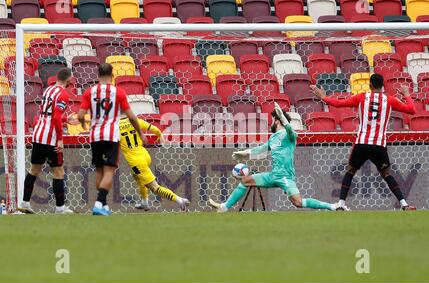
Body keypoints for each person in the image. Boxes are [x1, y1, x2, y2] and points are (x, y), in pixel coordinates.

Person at [312, 73, 417, 211]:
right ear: (383, 85)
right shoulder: (390, 100)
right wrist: (406, 94)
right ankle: (404, 204)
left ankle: (342, 205)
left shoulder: (362, 97)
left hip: (362, 143)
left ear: (370, 85)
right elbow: (412, 110)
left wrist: (323, 97)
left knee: (350, 172)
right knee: (387, 174)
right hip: (379, 145)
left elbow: (338, 104)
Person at [209, 103, 337, 212]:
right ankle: (224, 207)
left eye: (273, 120)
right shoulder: (273, 137)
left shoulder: (288, 136)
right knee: (245, 181)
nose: (271, 123)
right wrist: (245, 153)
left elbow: (292, 133)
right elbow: (260, 149)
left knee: (298, 202)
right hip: (273, 176)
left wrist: (285, 120)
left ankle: (332, 206)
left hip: (285, 177)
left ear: (277, 120)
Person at [78, 63, 145, 216]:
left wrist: (82, 123)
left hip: (95, 136)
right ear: (112, 75)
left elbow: (81, 115)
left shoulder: (90, 92)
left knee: (99, 170)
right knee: (109, 171)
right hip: (111, 135)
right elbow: (132, 117)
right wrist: (140, 133)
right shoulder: (118, 93)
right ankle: (98, 203)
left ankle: (104, 206)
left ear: (97, 75)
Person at [18, 68, 74, 214]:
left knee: (34, 170)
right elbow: (55, 117)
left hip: (38, 135)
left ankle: (24, 203)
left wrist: (66, 119)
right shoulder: (63, 94)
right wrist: (60, 140)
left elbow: (49, 114)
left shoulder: (48, 90)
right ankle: (60, 208)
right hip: (51, 138)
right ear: (68, 80)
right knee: (58, 172)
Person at [119, 116, 190, 211]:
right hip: (144, 155)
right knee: (136, 175)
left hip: (136, 160)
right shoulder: (136, 121)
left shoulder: (115, 127)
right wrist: (160, 137)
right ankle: (144, 202)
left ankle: (180, 200)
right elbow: (155, 129)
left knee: (154, 187)